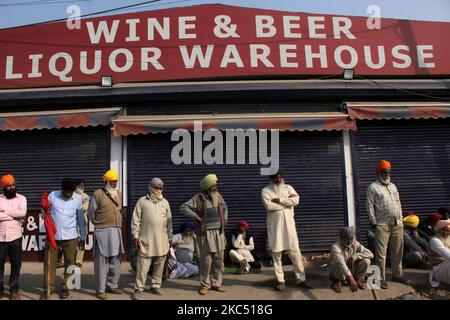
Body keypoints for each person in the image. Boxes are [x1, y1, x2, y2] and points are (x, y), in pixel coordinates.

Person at [261, 168, 312, 291]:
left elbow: (296, 200)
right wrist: (287, 203)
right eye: (276, 177)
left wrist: (280, 200)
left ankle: (301, 279)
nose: (278, 179)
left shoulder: (288, 188)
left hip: (290, 228)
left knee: (295, 254)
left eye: (280, 177)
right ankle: (280, 281)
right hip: (275, 228)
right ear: (271, 178)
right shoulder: (266, 191)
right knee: (276, 255)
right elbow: (268, 205)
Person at [180, 173, 228, 295]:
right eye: (213, 184)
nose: (215, 186)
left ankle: (216, 283)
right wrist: (196, 216)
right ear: (208, 186)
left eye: (215, 184)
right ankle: (205, 285)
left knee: (218, 259)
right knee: (206, 261)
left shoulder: (219, 195)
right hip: (206, 233)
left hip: (219, 232)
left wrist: (225, 219)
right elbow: (183, 207)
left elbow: (225, 207)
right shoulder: (199, 198)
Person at [366, 160, 411, 289]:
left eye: (388, 172)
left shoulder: (393, 186)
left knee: (397, 251)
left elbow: (398, 203)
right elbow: (369, 206)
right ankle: (379, 279)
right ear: (378, 173)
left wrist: (401, 219)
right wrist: (374, 223)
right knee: (381, 254)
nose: (386, 174)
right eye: (383, 172)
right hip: (382, 224)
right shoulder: (373, 187)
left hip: (397, 224)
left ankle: (397, 275)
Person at [40, 178, 86, 300]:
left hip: (71, 235)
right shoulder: (52, 196)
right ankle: (48, 289)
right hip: (53, 235)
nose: (68, 194)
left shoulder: (77, 199)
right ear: (62, 189)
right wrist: (43, 212)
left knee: (70, 262)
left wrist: (83, 236)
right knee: (49, 262)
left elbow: (81, 219)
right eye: (66, 192)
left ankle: (66, 287)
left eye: (70, 192)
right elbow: (44, 212)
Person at [131, 178, 172, 300]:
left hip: (162, 239)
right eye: (156, 187)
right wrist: (135, 236)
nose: (158, 190)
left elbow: (169, 221)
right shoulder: (142, 201)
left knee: (159, 264)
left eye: (160, 187)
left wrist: (170, 236)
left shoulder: (165, 202)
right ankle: (138, 289)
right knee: (143, 265)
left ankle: (155, 286)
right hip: (146, 239)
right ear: (150, 187)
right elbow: (135, 220)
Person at [88, 170, 124, 300]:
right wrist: (100, 223)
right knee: (101, 262)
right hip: (102, 231)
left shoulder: (119, 194)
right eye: (112, 181)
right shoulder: (97, 194)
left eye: (116, 181)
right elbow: (91, 214)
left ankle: (112, 285)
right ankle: (101, 289)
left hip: (116, 230)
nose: (114, 183)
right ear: (106, 181)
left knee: (116, 260)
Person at [0, 174, 27, 300]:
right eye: (8, 186)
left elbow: (22, 213)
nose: (11, 187)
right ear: (3, 187)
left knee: (16, 265)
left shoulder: (21, 198)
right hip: (0, 238)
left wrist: (4, 212)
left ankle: (14, 290)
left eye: (13, 185)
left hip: (15, 237)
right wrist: (13, 215)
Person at [329, 226, 373, 293]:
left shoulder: (355, 243)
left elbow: (370, 254)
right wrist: (351, 279)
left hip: (351, 268)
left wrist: (354, 257)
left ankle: (357, 279)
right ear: (342, 238)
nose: (349, 241)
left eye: (351, 238)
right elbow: (341, 263)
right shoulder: (335, 247)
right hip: (338, 271)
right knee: (338, 263)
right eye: (347, 239)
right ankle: (337, 281)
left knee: (367, 261)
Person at [428, 220, 450, 287]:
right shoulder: (435, 240)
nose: (445, 232)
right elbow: (448, 255)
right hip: (438, 269)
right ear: (438, 230)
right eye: (443, 230)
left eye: (448, 230)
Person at [74, 179, 90, 268]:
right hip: (72, 223)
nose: (81, 186)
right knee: (70, 241)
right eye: (80, 185)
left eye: (83, 185)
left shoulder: (86, 196)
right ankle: (66, 259)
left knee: (81, 241)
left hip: (82, 222)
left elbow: (85, 207)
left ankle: (79, 261)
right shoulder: (71, 195)